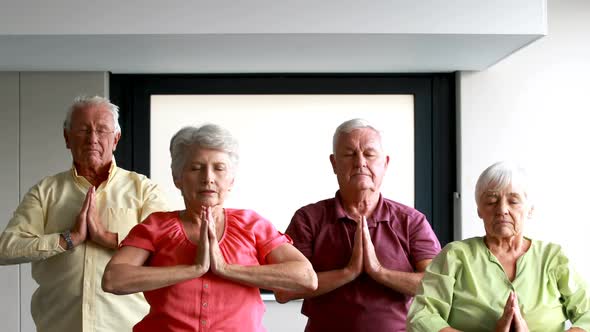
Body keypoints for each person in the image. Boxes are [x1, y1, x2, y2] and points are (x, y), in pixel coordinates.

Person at [101, 124, 317, 332]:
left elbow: (306, 278)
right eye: (196, 168)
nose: (208, 178)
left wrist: (225, 269)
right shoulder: (156, 226)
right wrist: (193, 269)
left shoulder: (252, 224)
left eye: (219, 168)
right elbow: (113, 279)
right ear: (177, 178)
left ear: (231, 179)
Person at [0, 96, 169, 332]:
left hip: (127, 327)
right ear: (67, 138)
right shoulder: (45, 191)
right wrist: (68, 239)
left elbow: (169, 252)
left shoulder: (144, 191)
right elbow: (6, 248)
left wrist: (107, 238)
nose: (93, 138)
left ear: (116, 139)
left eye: (102, 130)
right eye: (83, 130)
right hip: (57, 326)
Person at [276, 118, 441, 332]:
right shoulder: (308, 218)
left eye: (369, 154)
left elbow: (437, 286)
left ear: (386, 163)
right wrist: (348, 272)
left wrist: (379, 272)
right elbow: (283, 290)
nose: (360, 162)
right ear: (334, 163)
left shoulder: (411, 221)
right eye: (349, 154)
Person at [407, 161, 590, 332]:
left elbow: (587, 316)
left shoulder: (552, 257)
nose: (502, 209)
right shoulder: (455, 256)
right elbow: (421, 317)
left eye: (513, 201)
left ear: (530, 209)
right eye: (491, 201)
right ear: (479, 210)